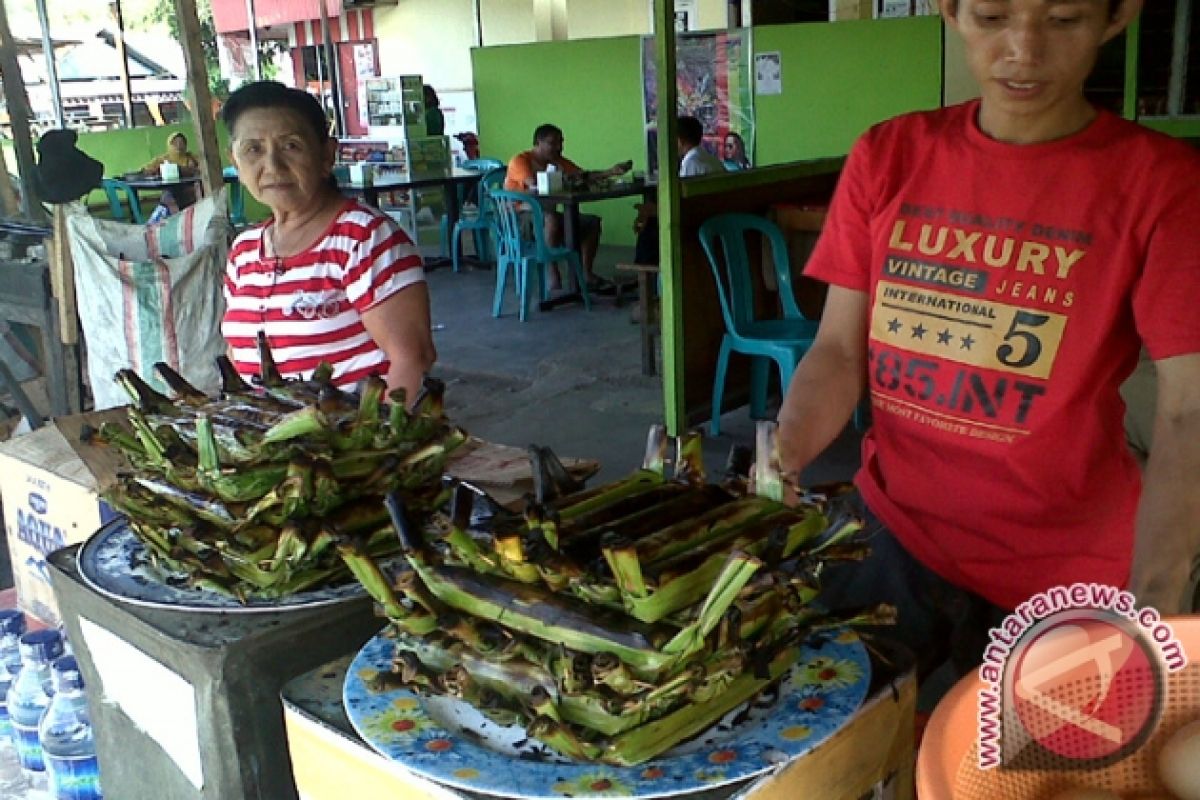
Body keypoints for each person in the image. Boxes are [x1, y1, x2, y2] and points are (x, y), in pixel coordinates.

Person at [776, 0, 1200, 680]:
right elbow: (838, 351)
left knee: (1017, 780)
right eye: (993, 16)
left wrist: (1155, 602)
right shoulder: (890, 154)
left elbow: (1187, 411)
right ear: (951, 10)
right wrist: (785, 456)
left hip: (1068, 571)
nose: (1024, 51)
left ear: (1117, 18)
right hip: (896, 531)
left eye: (1064, 20)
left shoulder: (1161, 183)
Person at [219, 81, 436, 403]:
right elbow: (238, 355)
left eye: (291, 146)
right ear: (235, 162)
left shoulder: (364, 238)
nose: (273, 166)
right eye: (253, 149)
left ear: (326, 154)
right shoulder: (244, 251)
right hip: (267, 441)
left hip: (352, 440)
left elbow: (413, 360)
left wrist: (370, 439)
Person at [505, 123, 632, 291]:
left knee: (591, 223)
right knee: (551, 218)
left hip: (547, 214)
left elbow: (581, 175)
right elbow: (535, 185)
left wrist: (610, 172)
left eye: (561, 142)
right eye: (552, 143)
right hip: (519, 218)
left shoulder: (556, 161)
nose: (559, 147)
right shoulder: (520, 161)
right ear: (538, 143)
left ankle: (586, 274)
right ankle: (552, 271)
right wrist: (564, 179)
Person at [143, 132, 201, 206]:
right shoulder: (163, 159)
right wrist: (157, 171)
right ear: (169, 145)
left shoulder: (191, 158)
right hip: (171, 191)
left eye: (182, 143)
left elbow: (203, 168)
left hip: (190, 192)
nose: (179, 146)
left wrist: (191, 169)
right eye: (175, 143)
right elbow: (146, 170)